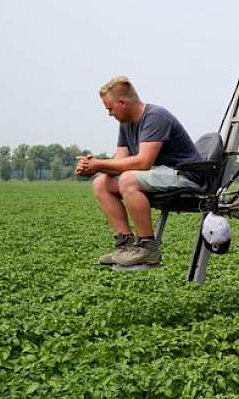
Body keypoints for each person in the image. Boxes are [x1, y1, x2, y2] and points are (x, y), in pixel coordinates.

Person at [76, 76, 203, 269]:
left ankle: (148, 248)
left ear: (123, 102)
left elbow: (143, 162)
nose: (109, 114)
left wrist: (99, 164)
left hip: (184, 175)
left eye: (110, 108)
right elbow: (119, 161)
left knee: (128, 179)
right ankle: (125, 246)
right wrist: (93, 167)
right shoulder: (126, 123)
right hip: (158, 174)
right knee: (101, 183)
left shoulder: (155, 116)